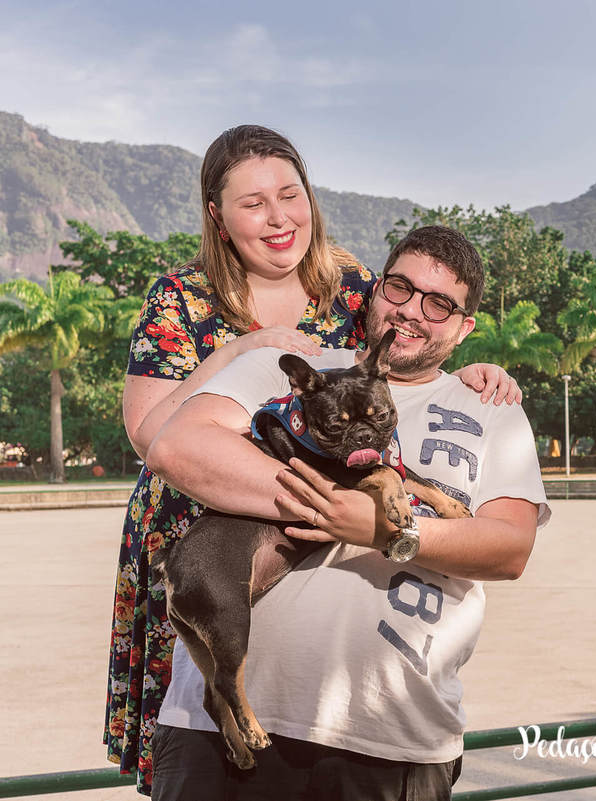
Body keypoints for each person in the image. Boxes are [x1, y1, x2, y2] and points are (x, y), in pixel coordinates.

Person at [104, 126, 520, 795]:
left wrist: (469, 372)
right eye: (253, 203)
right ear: (217, 214)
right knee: (207, 712)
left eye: (289, 194)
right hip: (200, 525)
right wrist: (239, 350)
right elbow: (152, 434)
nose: (278, 217)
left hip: (322, 516)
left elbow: (401, 359)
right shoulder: (180, 296)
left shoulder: (353, 285)